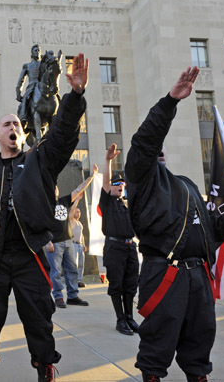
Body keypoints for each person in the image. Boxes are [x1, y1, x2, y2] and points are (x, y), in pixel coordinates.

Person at [0, 53, 88, 382]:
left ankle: (45, 367)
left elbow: (62, 136)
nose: (13, 127)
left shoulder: (39, 161)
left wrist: (75, 97)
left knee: (39, 319)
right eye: (6, 125)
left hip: (30, 256)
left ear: (22, 135)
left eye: (16, 124)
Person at [124, 67, 224, 382]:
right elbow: (145, 142)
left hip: (198, 276)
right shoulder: (142, 180)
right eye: (155, 151)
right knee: (157, 343)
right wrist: (170, 102)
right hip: (164, 274)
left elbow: (206, 230)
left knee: (200, 341)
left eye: (163, 151)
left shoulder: (186, 184)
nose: (160, 152)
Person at [99, 144, 139, 336]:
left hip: (130, 247)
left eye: (122, 184)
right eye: (116, 184)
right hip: (114, 247)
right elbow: (106, 183)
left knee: (131, 284)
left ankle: (130, 317)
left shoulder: (127, 205)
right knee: (117, 285)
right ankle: (120, 319)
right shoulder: (107, 202)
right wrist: (109, 160)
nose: (120, 186)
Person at [46, 165, 97, 309]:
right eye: (52, 187)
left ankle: (73, 296)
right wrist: (47, 241)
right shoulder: (45, 205)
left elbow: (79, 189)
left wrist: (91, 177)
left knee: (72, 270)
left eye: (56, 187)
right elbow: (41, 225)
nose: (55, 189)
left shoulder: (63, 201)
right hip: (54, 243)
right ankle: (58, 297)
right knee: (56, 272)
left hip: (68, 241)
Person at [15, 44, 42, 125]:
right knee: (25, 99)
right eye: (35, 50)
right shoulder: (27, 66)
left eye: (38, 51)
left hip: (42, 86)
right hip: (32, 86)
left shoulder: (43, 65)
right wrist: (18, 93)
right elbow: (21, 80)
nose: (37, 52)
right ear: (32, 53)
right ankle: (23, 116)